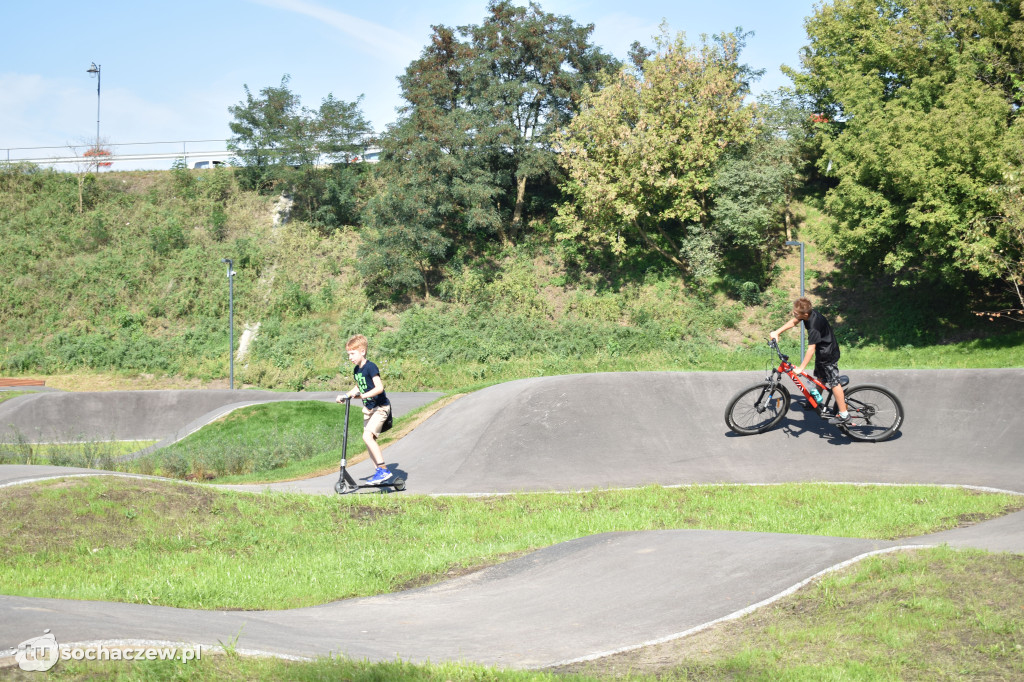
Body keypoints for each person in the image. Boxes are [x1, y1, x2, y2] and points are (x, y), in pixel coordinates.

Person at [769, 297, 850, 425]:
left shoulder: (813, 326)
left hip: (828, 354)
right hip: (822, 351)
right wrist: (777, 332)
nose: (794, 314)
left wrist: (801, 368)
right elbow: (793, 322)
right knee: (820, 377)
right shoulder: (806, 314)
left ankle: (844, 414)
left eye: (796, 313)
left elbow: (811, 349)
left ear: (805, 314)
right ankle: (815, 402)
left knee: (834, 382)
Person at [336, 334, 393, 484]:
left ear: (362, 351)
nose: (350, 357)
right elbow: (359, 386)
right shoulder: (357, 370)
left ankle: (383, 469)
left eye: (352, 354)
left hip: (380, 408)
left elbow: (379, 388)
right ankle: (379, 472)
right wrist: (346, 395)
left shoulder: (370, 367)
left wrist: (362, 396)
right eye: (348, 354)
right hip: (369, 410)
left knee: (367, 437)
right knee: (369, 440)